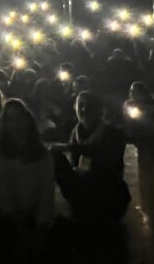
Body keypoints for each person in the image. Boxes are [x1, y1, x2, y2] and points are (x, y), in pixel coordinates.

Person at [0, 99, 55, 260]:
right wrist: (19, 225)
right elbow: (1, 190)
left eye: (20, 119)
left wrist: (41, 227)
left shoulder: (42, 153)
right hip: (6, 215)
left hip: (34, 214)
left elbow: (46, 192)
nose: (17, 125)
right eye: (11, 120)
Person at [51, 91, 130, 224]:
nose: (84, 109)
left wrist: (69, 147)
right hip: (82, 186)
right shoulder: (75, 132)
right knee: (55, 156)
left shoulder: (114, 132)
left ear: (100, 110)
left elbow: (106, 158)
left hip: (107, 190)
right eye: (80, 105)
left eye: (90, 106)